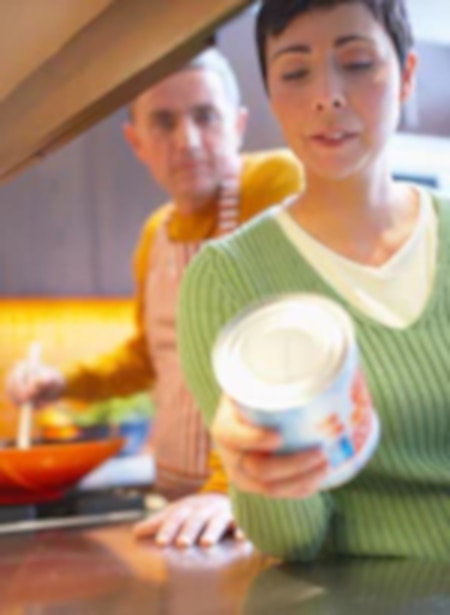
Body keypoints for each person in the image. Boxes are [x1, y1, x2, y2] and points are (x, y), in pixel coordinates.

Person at [178, 0, 450, 562]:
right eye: (296, 72)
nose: (327, 95)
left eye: (356, 62)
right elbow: (292, 540)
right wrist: (254, 469)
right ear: (271, 95)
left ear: (406, 76)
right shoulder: (229, 279)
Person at [6, 48, 303, 548]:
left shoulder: (279, 185)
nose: (186, 141)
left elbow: (291, 349)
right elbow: (149, 356)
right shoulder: (155, 234)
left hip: (254, 499)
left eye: (205, 116)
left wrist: (232, 483)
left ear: (239, 122)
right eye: (163, 122)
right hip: (176, 496)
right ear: (136, 141)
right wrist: (62, 383)